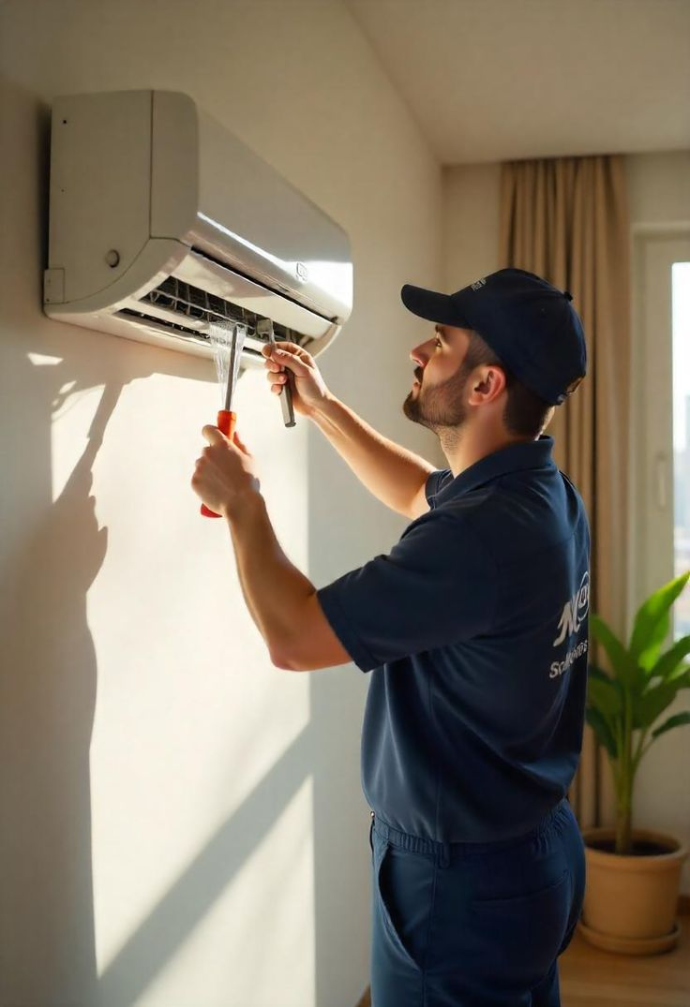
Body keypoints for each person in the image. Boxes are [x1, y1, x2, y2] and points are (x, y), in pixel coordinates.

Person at [191, 267, 590, 1007]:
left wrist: (242, 501)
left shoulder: (481, 538)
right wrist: (324, 407)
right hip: (531, 851)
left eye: (440, 344)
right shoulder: (538, 492)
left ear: (484, 386)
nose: (418, 351)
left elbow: (296, 636)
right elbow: (417, 492)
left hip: (461, 882)